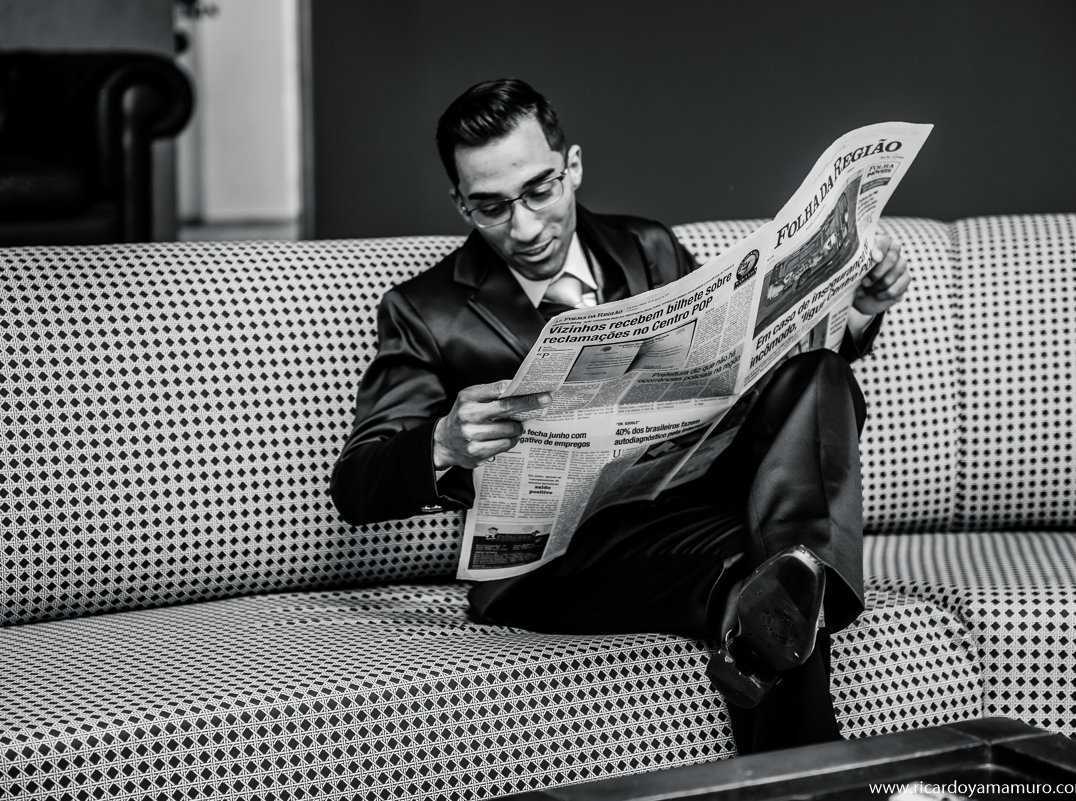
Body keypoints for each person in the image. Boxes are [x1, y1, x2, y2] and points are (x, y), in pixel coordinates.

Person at [331, 78, 911, 754]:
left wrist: (857, 311)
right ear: (461, 203)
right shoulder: (423, 310)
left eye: (539, 190)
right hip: (557, 564)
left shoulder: (648, 248)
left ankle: (792, 589)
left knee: (819, 379)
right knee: (771, 580)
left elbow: (750, 368)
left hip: (691, 509)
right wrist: (442, 442)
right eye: (490, 207)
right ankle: (801, 591)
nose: (524, 227)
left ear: (572, 167)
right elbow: (356, 483)